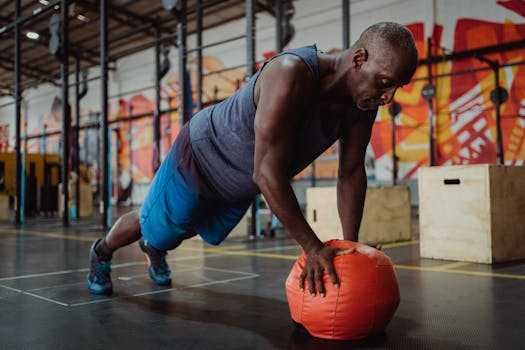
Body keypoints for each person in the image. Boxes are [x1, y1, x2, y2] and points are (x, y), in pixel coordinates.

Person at [87, 22, 418, 297]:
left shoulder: (363, 105)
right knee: (157, 228)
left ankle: (156, 245)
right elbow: (267, 172)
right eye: (386, 83)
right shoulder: (291, 74)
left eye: (396, 88)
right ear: (359, 58)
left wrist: (350, 247)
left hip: (237, 183)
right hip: (199, 158)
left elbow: (351, 172)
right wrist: (313, 248)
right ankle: (103, 251)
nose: (388, 97)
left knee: (191, 228)